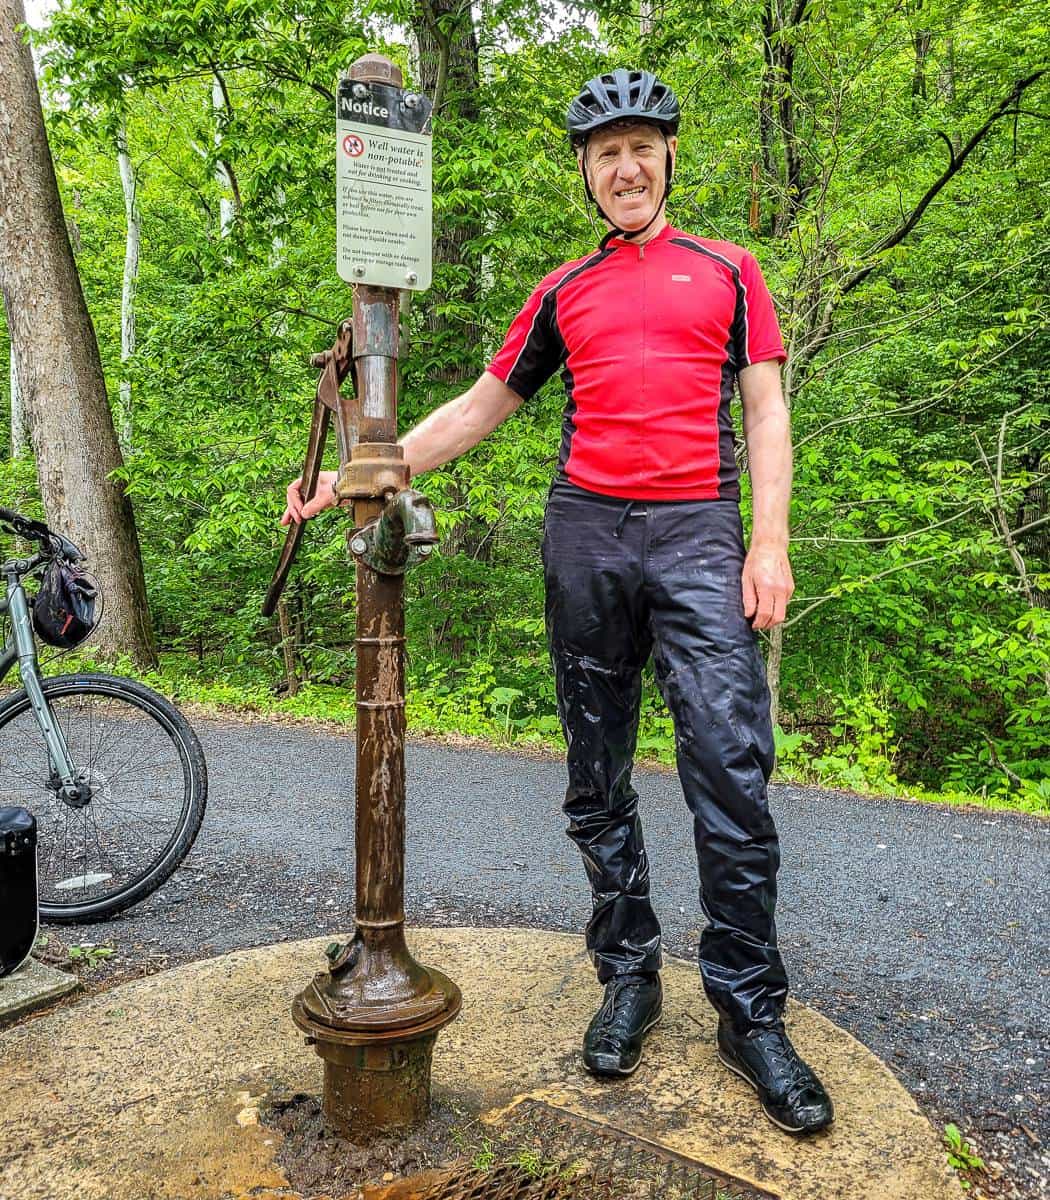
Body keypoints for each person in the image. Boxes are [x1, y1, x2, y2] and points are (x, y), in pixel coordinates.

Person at [283, 68, 833, 1135]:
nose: (624, 168)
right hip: (586, 530)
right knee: (596, 771)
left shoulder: (730, 270)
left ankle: (751, 1013)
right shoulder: (561, 292)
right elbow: (481, 409)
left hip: (698, 529)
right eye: (603, 154)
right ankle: (628, 978)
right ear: (586, 173)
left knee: (730, 770)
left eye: (640, 148)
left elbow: (764, 411)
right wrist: (356, 473)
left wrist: (770, 541)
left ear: (669, 157)